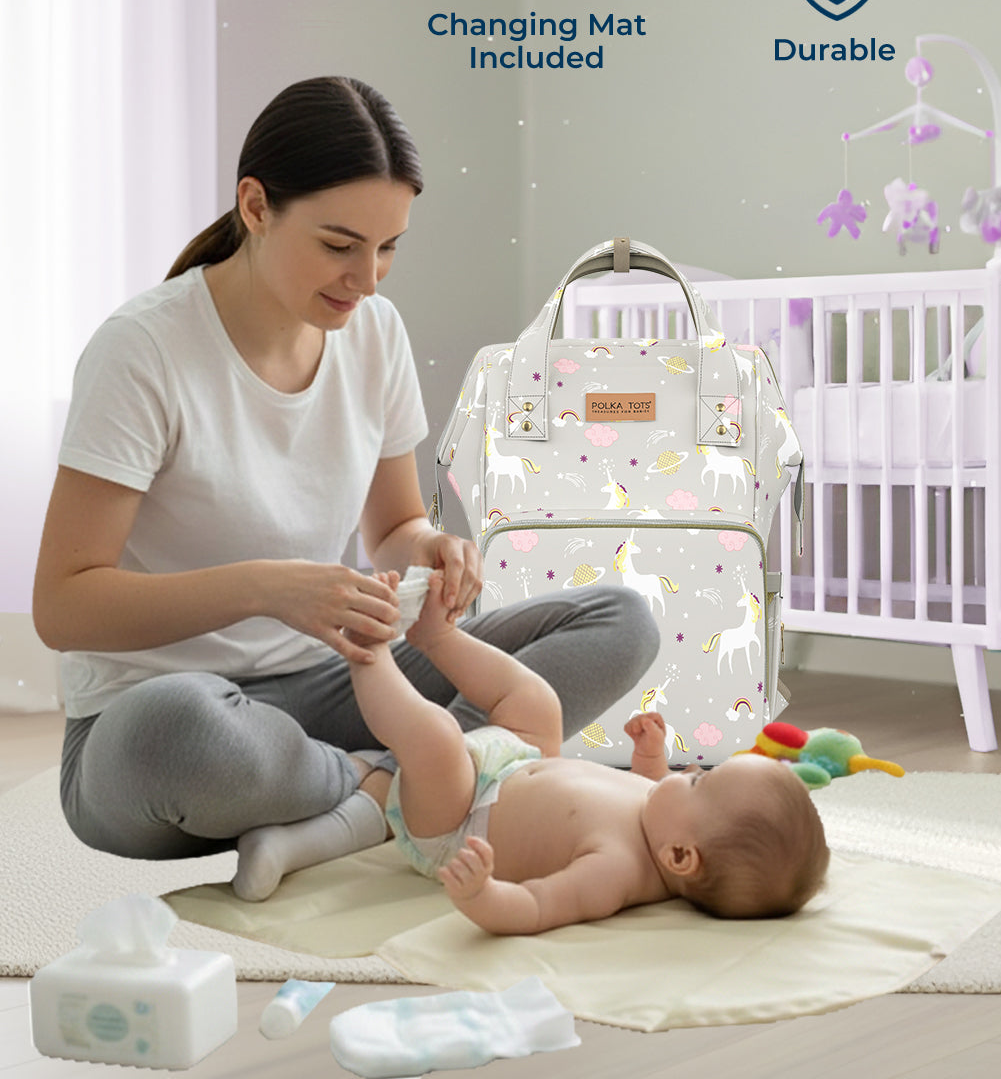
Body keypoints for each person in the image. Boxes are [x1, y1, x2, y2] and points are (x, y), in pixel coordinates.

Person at [32, 76, 659, 867]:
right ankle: (415, 786)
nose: (367, 280)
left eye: (388, 247)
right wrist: (265, 588)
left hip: (336, 688)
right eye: (339, 245)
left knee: (619, 619)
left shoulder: (373, 334)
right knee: (181, 734)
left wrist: (429, 547)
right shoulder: (144, 351)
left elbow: (393, 528)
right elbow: (63, 606)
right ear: (256, 207)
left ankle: (373, 794)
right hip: (156, 722)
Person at [238, 569, 830, 930]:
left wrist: (484, 895)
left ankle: (368, 652)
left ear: (680, 859)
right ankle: (438, 637)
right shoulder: (664, 819)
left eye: (701, 782)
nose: (693, 769)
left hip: (456, 822)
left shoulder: (615, 873)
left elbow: (540, 907)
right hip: (516, 762)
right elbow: (652, 789)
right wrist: (652, 758)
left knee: (438, 742)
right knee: (539, 703)